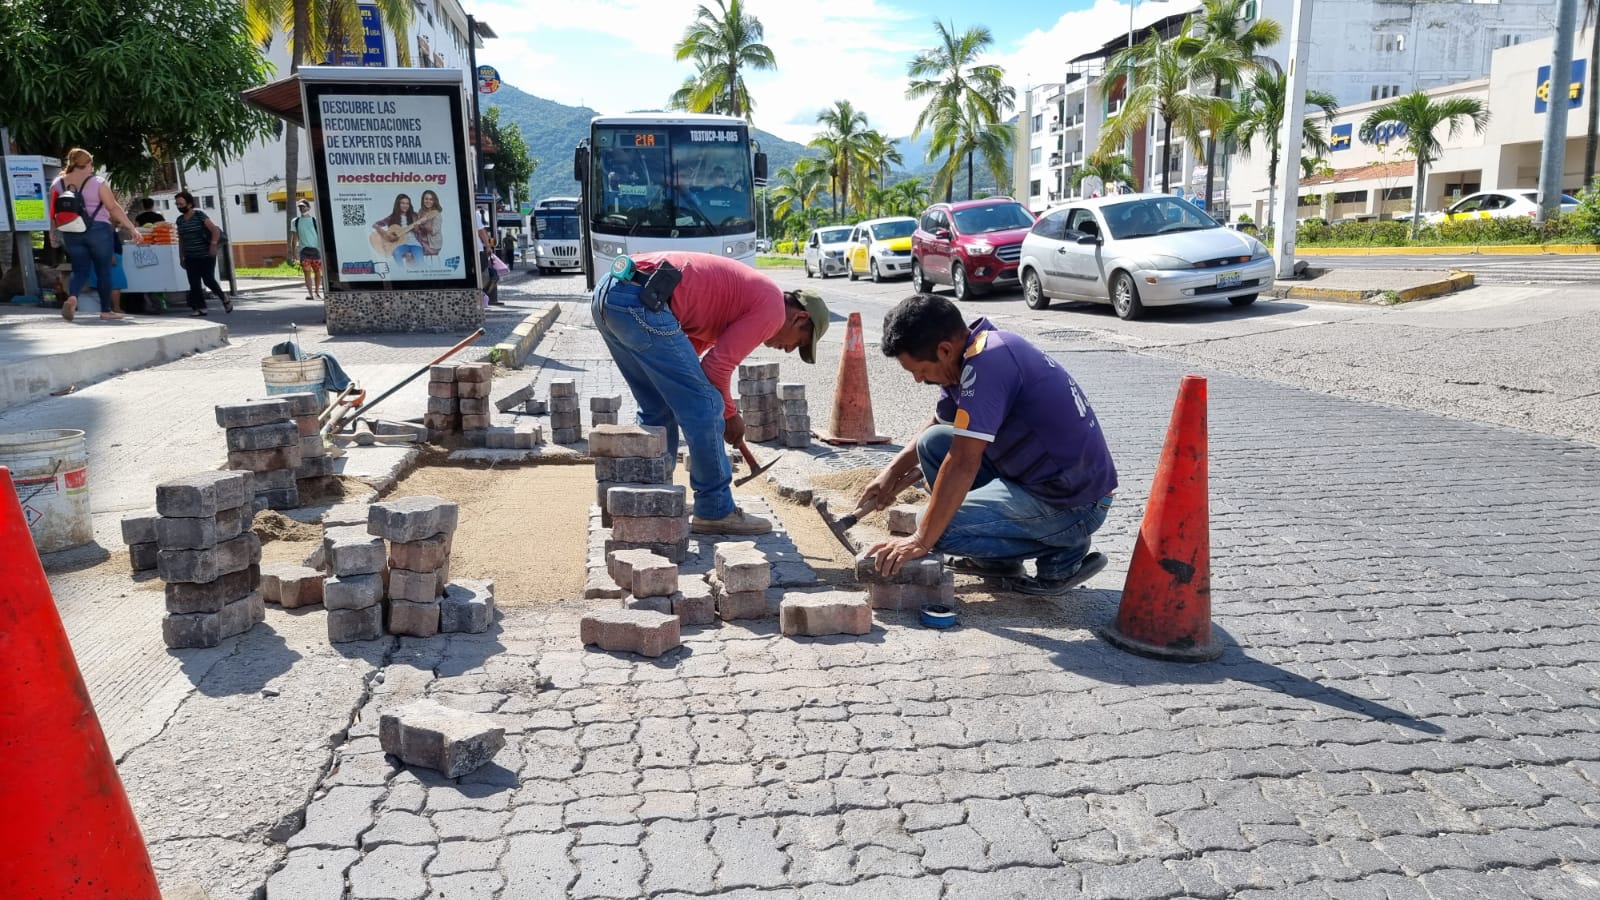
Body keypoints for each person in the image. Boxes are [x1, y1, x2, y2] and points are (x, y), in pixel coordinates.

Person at [861, 294, 1118, 596]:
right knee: (932, 444)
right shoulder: (970, 352)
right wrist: (890, 473)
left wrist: (920, 540)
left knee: (933, 526)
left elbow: (963, 462)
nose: (918, 379)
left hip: (1072, 502)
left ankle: (1065, 551)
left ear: (944, 350)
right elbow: (937, 423)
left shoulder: (988, 364)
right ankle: (997, 562)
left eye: (918, 370)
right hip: (1037, 480)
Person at [590, 251, 830, 535]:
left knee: (658, 405)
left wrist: (717, 409)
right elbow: (716, 368)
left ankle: (652, 501)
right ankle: (715, 509)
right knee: (706, 406)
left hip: (611, 294)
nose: (789, 349)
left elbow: (692, 363)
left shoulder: (737, 302)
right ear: (800, 318)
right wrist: (730, 415)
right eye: (799, 343)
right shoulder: (772, 309)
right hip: (642, 300)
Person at [48, 148, 142, 321]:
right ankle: (106, 310)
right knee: (103, 270)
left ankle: (73, 297)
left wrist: (52, 232)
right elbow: (112, 207)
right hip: (98, 230)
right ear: (88, 164)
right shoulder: (98, 182)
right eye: (91, 163)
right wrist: (131, 228)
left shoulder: (57, 183)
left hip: (72, 230)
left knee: (80, 268)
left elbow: (53, 211)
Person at [173, 190, 231, 316]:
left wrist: (213, 245)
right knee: (194, 282)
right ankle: (201, 308)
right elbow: (181, 239)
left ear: (189, 203)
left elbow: (214, 230)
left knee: (208, 279)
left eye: (181, 204)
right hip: (190, 255)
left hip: (206, 254)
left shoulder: (199, 215)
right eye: (177, 204)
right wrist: (181, 256)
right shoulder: (180, 220)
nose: (179, 207)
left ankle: (224, 298)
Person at [371, 194, 431, 265]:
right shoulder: (392, 217)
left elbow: (425, 231)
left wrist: (418, 230)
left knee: (420, 262)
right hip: (401, 244)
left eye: (407, 203)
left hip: (415, 244)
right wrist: (387, 235)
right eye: (402, 203)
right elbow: (375, 225)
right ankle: (402, 273)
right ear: (398, 204)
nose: (405, 205)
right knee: (396, 253)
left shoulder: (415, 216)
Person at [288, 199, 323, 301]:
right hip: (304, 251)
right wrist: (294, 253)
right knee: (306, 272)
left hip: (316, 250)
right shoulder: (296, 221)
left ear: (308, 207)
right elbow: (294, 238)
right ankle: (310, 294)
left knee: (317, 272)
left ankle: (317, 292)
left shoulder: (315, 220)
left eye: (303, 206)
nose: (301, 208)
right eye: (300, 207)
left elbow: (320, 235)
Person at [414, 190, 445, 264]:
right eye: (426, 199)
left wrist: (423, 223)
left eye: (431, 199)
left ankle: (421, 270)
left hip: (432, 244)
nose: (428, 201)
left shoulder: (436, 214)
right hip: (421, 240)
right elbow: (418, 230)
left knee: (413, 253)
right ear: (423, 200)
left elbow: (433, 231)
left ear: (434, 201)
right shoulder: (421, 211)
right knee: (406, 249)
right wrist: (416, 227)